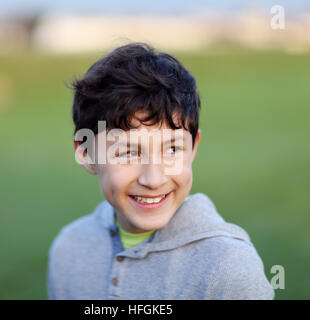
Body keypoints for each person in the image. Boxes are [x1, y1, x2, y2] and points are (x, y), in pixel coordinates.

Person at [47, 42, 274, 299]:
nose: (153, 179)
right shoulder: (68, 249)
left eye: (172, 149)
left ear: (193, 147)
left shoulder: (229, 268)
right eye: (128, 153)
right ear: (86, 153)